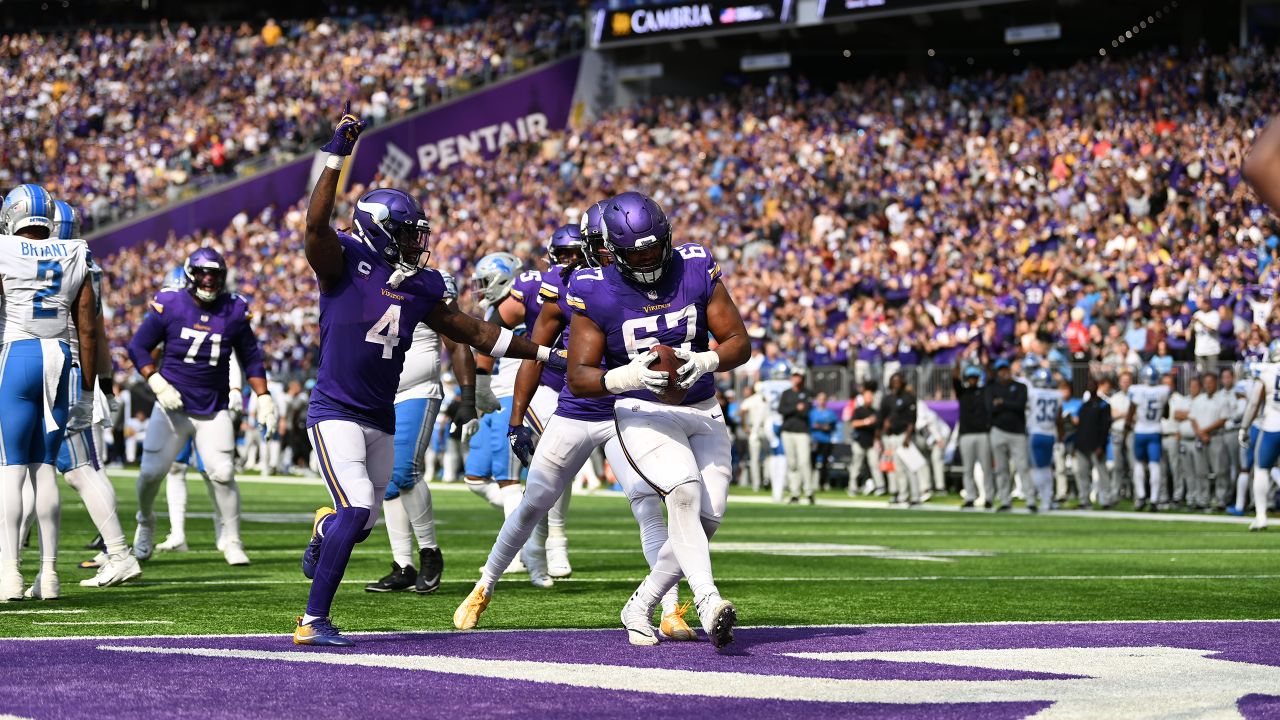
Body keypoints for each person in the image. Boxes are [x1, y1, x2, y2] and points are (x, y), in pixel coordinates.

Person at [293, 103, 562, 646]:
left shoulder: (420, 283)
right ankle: (312, 620)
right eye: (409, 234)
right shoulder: (342, 260)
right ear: (379, 232)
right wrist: (336, 155)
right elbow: (315, 222)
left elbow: (473, 332)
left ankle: (324, 529)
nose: (419, 243)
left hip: (380, 414)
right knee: (360, 509)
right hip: (334, 410)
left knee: (359, 522)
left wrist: (545, 353)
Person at [456, 206, 698, 643]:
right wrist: (516, 419)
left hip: (628, 409)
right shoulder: (569, 286)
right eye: (603, 247)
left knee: (647, 504)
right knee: (534, 501)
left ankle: (668, 607)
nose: (609, 254)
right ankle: (484, 586)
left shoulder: (650, 282)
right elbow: (538, 352)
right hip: (577, 408)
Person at [563, 191, 751, 649]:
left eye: (653, 247)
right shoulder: (593, 286)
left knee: (709, 517)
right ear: (612, 250)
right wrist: (624, 376)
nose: (647, 259)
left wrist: (706, 361)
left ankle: (640, 603)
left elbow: (738, 341)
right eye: (635, 252)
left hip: (702, 406)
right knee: (683, 493)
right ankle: (707, 600)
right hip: (642, 408)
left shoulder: (694, 265)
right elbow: (579, 375)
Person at [126, 246, 276, 567]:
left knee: (222, 473)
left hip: (212, 406)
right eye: (203, 273)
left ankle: (232, 538)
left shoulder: (234, 310)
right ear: (190, 274)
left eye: (215, 274)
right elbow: (138, 345)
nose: (208, 280)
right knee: (151, 473)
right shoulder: (171, 303)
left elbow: (251, 357)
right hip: (172, 403)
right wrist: (155, 380)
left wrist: (263, 396)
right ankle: (145, 521)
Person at [0, 183, 98, 600]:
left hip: (17, 355)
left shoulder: (4, 249)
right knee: (44, 470)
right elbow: (88, 326)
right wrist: (90, 391)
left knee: (10, 469)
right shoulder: (74, 250)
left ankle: (9, 575)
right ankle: (50, 576)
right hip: (59, 356)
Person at [364, 270, 477, 594]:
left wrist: (468, 397)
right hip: (380, 392)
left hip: (417, 390)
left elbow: (456, 345)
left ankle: (430, 553)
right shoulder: (369, 276)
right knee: (384, 482)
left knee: (403, 471)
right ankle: (403, 565)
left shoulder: (430, 282)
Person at [462, 251, 551, 587]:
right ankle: (530, 516)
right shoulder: (494, 311)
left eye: (485, 281)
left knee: (508, 480)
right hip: (492, 399)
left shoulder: (526, 311)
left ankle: (516, 553)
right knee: (474, 477)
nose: (481, 288)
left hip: (511, 395)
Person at [1240, 341, 1280, 531]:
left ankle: (1261, 516)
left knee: (1261, 468)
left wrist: (1244, 427)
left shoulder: (1266, 371)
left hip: (1272, 424)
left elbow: (1255, 402)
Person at [985, 358, 1028, 512]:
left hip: (1017, 432)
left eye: (1005, 369)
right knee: (1001, 468)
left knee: (1023, 466)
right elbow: (990, 408)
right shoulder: (991, 388)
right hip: (999, 430)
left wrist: (1002, 402)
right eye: (1001, 370)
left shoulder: (1020, 386)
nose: (1003, 372)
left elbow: (1020, 405)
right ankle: (1005, 500)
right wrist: (1008, 403)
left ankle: (1030, 499)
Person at [1126, 366, 1171, 511]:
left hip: (1140, 430)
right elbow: (1166, 414)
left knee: (1139, 463)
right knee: (1154, 464)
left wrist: (1126, 428)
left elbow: (1131, 411)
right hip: (1155, 430)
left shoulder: (1137, 390)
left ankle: (1140, 496)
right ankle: (1154, 499)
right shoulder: (1163, 391)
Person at [879, 372, 920, 505]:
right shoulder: (887, 399)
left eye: (898, 381)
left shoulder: (908, 398)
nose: (896, 384)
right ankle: (901, 494)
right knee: (897, 468)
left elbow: (912, 420)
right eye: (893, 381)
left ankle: (915, 496)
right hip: (892, 436)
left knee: (910, 467)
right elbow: (882, 417)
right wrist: (882, 431)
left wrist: (908, 437)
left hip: (904, 435)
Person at [1025, 368, 1062, 512]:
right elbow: (1058, 418)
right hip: (1050, 434)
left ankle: (1044, 500)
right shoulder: (1056, 395)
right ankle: (1048, 498)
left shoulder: (1032, 393)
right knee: (1047, 468)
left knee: (1038, 469)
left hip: (1036, 433)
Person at [1073, 378, 1111, 509]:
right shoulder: (1084, 405)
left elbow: (1105, 427)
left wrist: (1101, 445)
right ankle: (1084, 499)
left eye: (1092, 385)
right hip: (1083, 445)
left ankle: (1105, 500)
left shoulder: (1104, 405)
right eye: (1088, 385)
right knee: (1082, 473)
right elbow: (1079, 427)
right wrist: (1076, 444)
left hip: (1097, 445)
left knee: (1102, 473)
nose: (1090, 387)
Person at [779, 368, 814, 504]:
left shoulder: (807, 393)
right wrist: (796, 408)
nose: (796, 379)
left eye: (798, 376)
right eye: (794, 376)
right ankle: (795, 492)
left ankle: (809, 491)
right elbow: (782, 410)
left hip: (802, 431)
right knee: (792, 462)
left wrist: (795, 409)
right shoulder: (786, 394)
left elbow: (806, 411)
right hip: (788, 430)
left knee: (804, 462)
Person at [846, 382, 883, 496]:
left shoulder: (875, 412)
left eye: (871, 396)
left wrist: (878, 440)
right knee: (856, 466)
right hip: (859, 441)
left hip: (871, 442)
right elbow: (854, 423)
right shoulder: (859, 410)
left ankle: (880, 486)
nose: (869, 398)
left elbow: (878, 428)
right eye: (867, 396)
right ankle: (852, 487)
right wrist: (866, 421)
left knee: (875, 465)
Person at [737, 384, 770, 491]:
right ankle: (767, 478)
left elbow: (741, 411)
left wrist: (744, 426)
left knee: (755, 458)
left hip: (754, 429)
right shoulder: (766, 398)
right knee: (767, 457)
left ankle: (757, 484)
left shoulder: (751, 400)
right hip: (765, 429)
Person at [809, 391, 838, 491]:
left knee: (824, 463)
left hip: (826, 440)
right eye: (820, 399)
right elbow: (810, 425)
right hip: (815, 440)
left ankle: (822, 483)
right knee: (811, 462)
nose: (821, 401)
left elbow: (832, 426)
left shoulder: (830, 413)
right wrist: (820, 426)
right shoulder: (812, 412)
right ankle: (810, 483)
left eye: (823, 399)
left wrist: (823, 427)